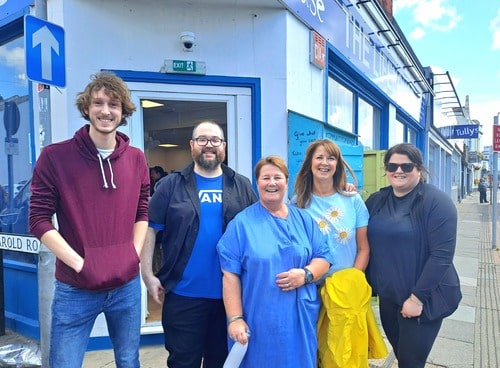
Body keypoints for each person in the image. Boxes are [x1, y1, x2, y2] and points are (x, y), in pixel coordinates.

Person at [29, 71, 150, 367]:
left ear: (123, 113)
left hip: (126, 286)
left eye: (113, 105)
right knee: (65, 362)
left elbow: (142, 210)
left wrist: (131, 255)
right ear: (87, 108)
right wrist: (81, 264)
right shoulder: (55, 157)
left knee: (128, 361)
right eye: (98, 103)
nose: (105, 111)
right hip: (75, 287)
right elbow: (39, 220)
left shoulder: (136, 158)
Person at [141, 120, 258, 368]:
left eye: (215, 140)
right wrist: (148, 276)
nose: (209, 145)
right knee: (183, 362)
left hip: (229, 299)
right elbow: (150, 229)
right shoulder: (169, 186)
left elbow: (259, 228)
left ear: (223, 146)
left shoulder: (242, 185)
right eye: (203, 139)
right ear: (192, 145)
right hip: (183, 297)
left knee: (223, 362)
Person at [216, 155, 332, 368]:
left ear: (286, 182)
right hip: (259, 320)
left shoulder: (304, 219)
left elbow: (324, 257)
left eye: (277, 177)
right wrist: (235, 319)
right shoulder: (241, 225)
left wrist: (305, 274)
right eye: (265, 178)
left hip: (300, 321)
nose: (271, 183)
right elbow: (230, 275)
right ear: (257, 183)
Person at [365, 143, 461, 368]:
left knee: (410, 362)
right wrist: (346, 192)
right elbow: (356, 228)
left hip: (423, 300)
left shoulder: (437, 202)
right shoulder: (378, 200)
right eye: (392, 166)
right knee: (401, 355)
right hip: (389, 299)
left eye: (406, 166)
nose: (398, 171)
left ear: (419, 169)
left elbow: (441, 256)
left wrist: (417, 299)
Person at [293, 139, 370, 278]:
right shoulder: (297, 203)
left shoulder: (353, 200)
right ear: (310, 163)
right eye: (319, 157)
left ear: (337, 165)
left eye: (331, 158)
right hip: (309, 288)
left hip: (344, 289)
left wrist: (353, 280)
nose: (324, 162)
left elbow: (363, 248)